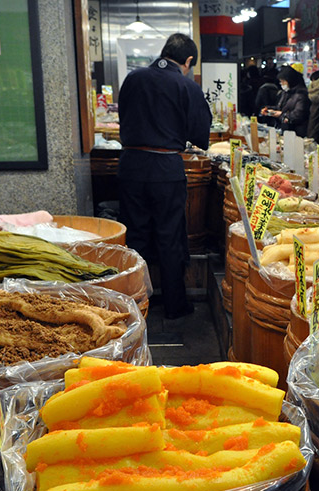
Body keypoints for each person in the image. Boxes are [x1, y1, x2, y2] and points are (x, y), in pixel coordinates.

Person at [117, 33, 211, 320]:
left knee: (135, 237)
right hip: (166, 169)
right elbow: (200, 135)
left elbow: (123, 117)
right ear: (189, 60)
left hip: (130, 165)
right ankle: (174, 305)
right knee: (170, 237)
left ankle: (134, 306)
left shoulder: (133, 78)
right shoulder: (186, 85)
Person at [263, 65, 310, 136]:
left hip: (297, 133)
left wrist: (281, 115)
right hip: (286, 131)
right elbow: (281, 108)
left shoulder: (301, 94)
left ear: (290, 80)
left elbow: (298, 115)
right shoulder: (286, 92)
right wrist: (270, 110)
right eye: (280, 81)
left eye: (283, 81)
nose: (281, 84)